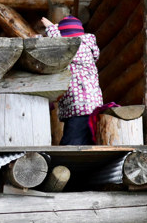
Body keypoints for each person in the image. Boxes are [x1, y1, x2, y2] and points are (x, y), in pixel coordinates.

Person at [40, 15, 103, 145]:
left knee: (70, 144)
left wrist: (51, 28)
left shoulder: (82, 46)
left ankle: (65, 164)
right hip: (77, 107)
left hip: (84, 106)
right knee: (81, 143)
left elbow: (63, 47)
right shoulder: (76, 51)